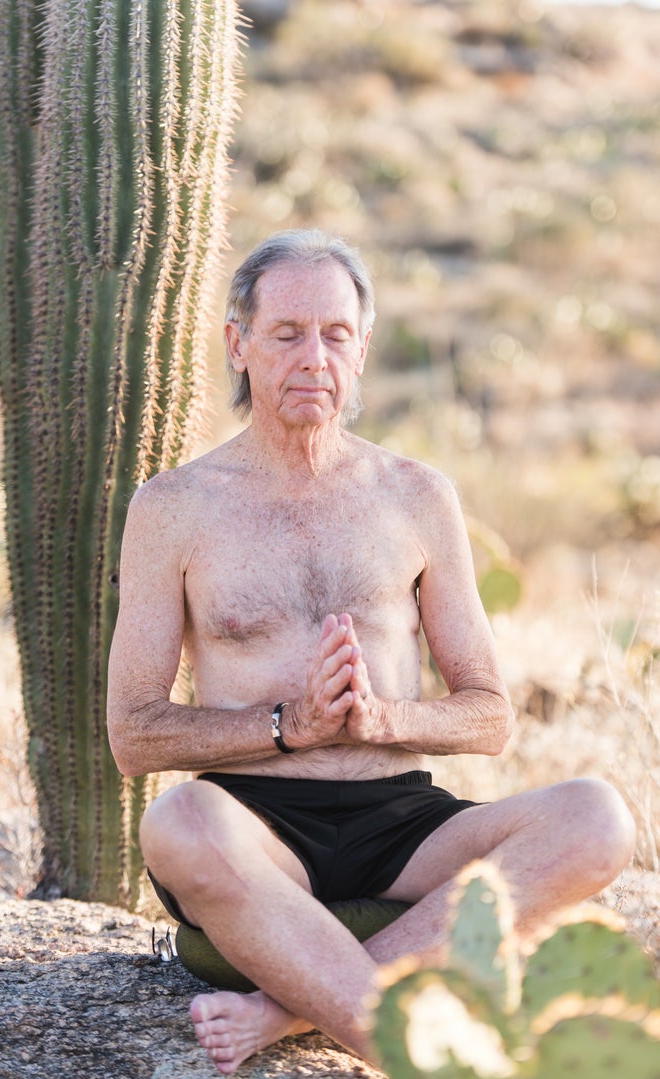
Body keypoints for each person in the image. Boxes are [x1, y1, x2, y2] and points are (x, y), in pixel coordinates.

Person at [106, 229, 636, 1075]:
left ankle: (292, 1012)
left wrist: (382, 717)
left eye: (336, 334)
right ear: (239, 345)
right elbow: (134, 734)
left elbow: (490, 713)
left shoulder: (418, 495)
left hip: (405, 825)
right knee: (177, 823)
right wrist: (290, 727)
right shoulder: (173, 509)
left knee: (597, 818)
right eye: (287, 333)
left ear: (363, 347)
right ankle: (403, 1043)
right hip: (257, 826)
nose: (313, 356)